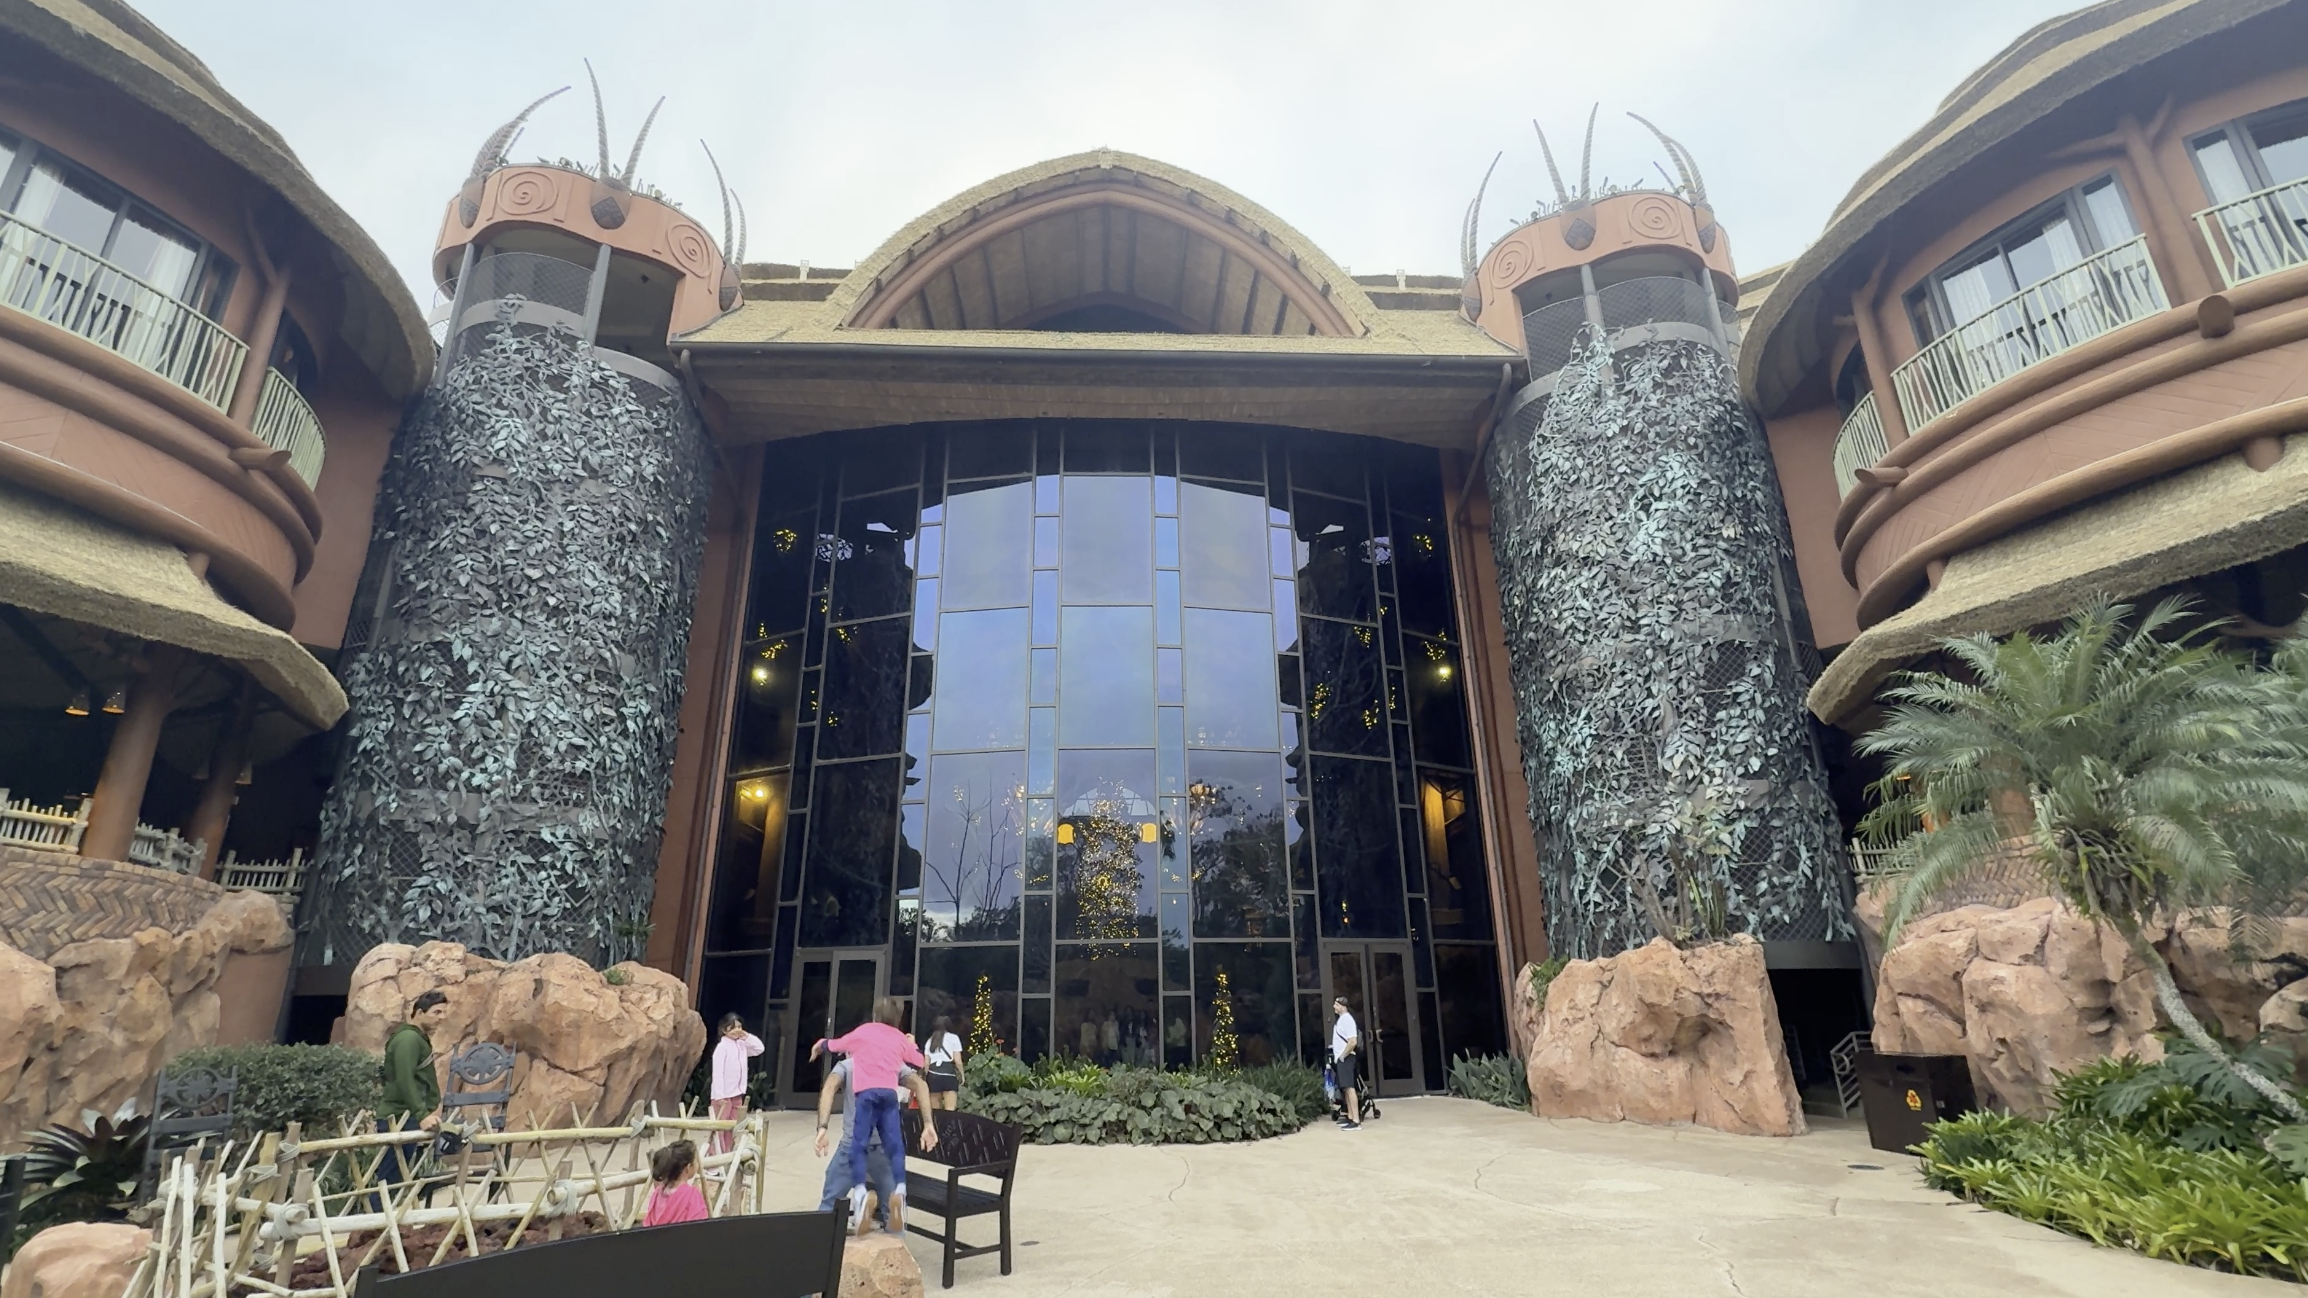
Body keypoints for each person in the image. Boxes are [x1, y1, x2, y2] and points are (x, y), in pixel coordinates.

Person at [816, 998, 927, 1232]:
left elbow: (829, 1087)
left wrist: (822, 1127)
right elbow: (920, 1082)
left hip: (852, 1146)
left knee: (829, 1202)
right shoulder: (892, 1062)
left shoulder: (848, 1065)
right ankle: (896, 1249)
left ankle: (823, 1245)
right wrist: (928, 1123)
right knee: (892, 1208)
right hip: (884, 1148)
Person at [377, 990, 449, 1202]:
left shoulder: (416, 1038)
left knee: (396, 1178)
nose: (441, 1018)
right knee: (389, 1180)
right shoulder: (408, 1039)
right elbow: (404, 1078)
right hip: (399, 1116)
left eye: (444, 1013)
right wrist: (421, 1114)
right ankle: (374, 1227)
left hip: (406, 1115)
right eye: (436, 1012)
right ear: (419, 1012)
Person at [708, 1013, 763, 1162]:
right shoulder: (722, 1047)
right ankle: (713, 1162)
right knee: (719, 1128)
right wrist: (720, 1096)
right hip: (723, 1096)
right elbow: (718, 1072)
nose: (736, 1030)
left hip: (736, 1094)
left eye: (739, 1027)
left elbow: (759, 1048)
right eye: (732, 1028)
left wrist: (746, 1036)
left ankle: (726, 1158)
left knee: (733, 1128)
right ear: (724, 1030)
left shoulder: (742, 1045)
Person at [642, 1139, 710, 1226]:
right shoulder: (692, 1195)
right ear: (688, 1167)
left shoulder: (657, 1193)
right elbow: (699, 1228)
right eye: (696, 1161)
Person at [1330, 995, 1362, 1131]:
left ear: (1343, 1006)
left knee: (1350, 1088)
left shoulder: (1347, 1020)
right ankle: (1350, 1116)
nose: (1334, 1007)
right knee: (1345, 1088)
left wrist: (1343, 1055)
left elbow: (1352, 1041)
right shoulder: (1342, 1020)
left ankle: (1356, 1120)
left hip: (1346, 1058)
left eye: (1336, 1005)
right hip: (1342, 1058)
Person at [921, 1015, 964, 1111]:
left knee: (934, 1110)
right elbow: (958, 1060)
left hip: (933, 1075)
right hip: (949, 1074)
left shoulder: (930, 1041)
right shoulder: (954, 1038)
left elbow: (926, 1063)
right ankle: (948, 1126)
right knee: (950, 1109)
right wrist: (962, 1074)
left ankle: (936, 1126)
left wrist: (925, 1077)